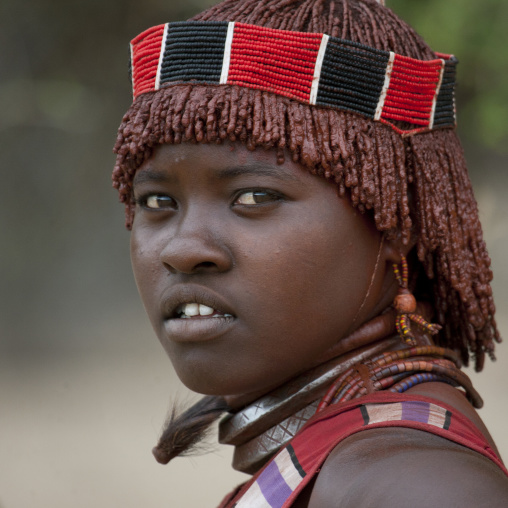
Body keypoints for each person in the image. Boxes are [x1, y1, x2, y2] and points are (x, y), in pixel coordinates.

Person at [112, 0, 508, 505]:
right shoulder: (352, 466)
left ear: (394, 223)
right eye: (157, 201)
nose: (184, 248)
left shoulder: (417, 486)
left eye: (254, 197)